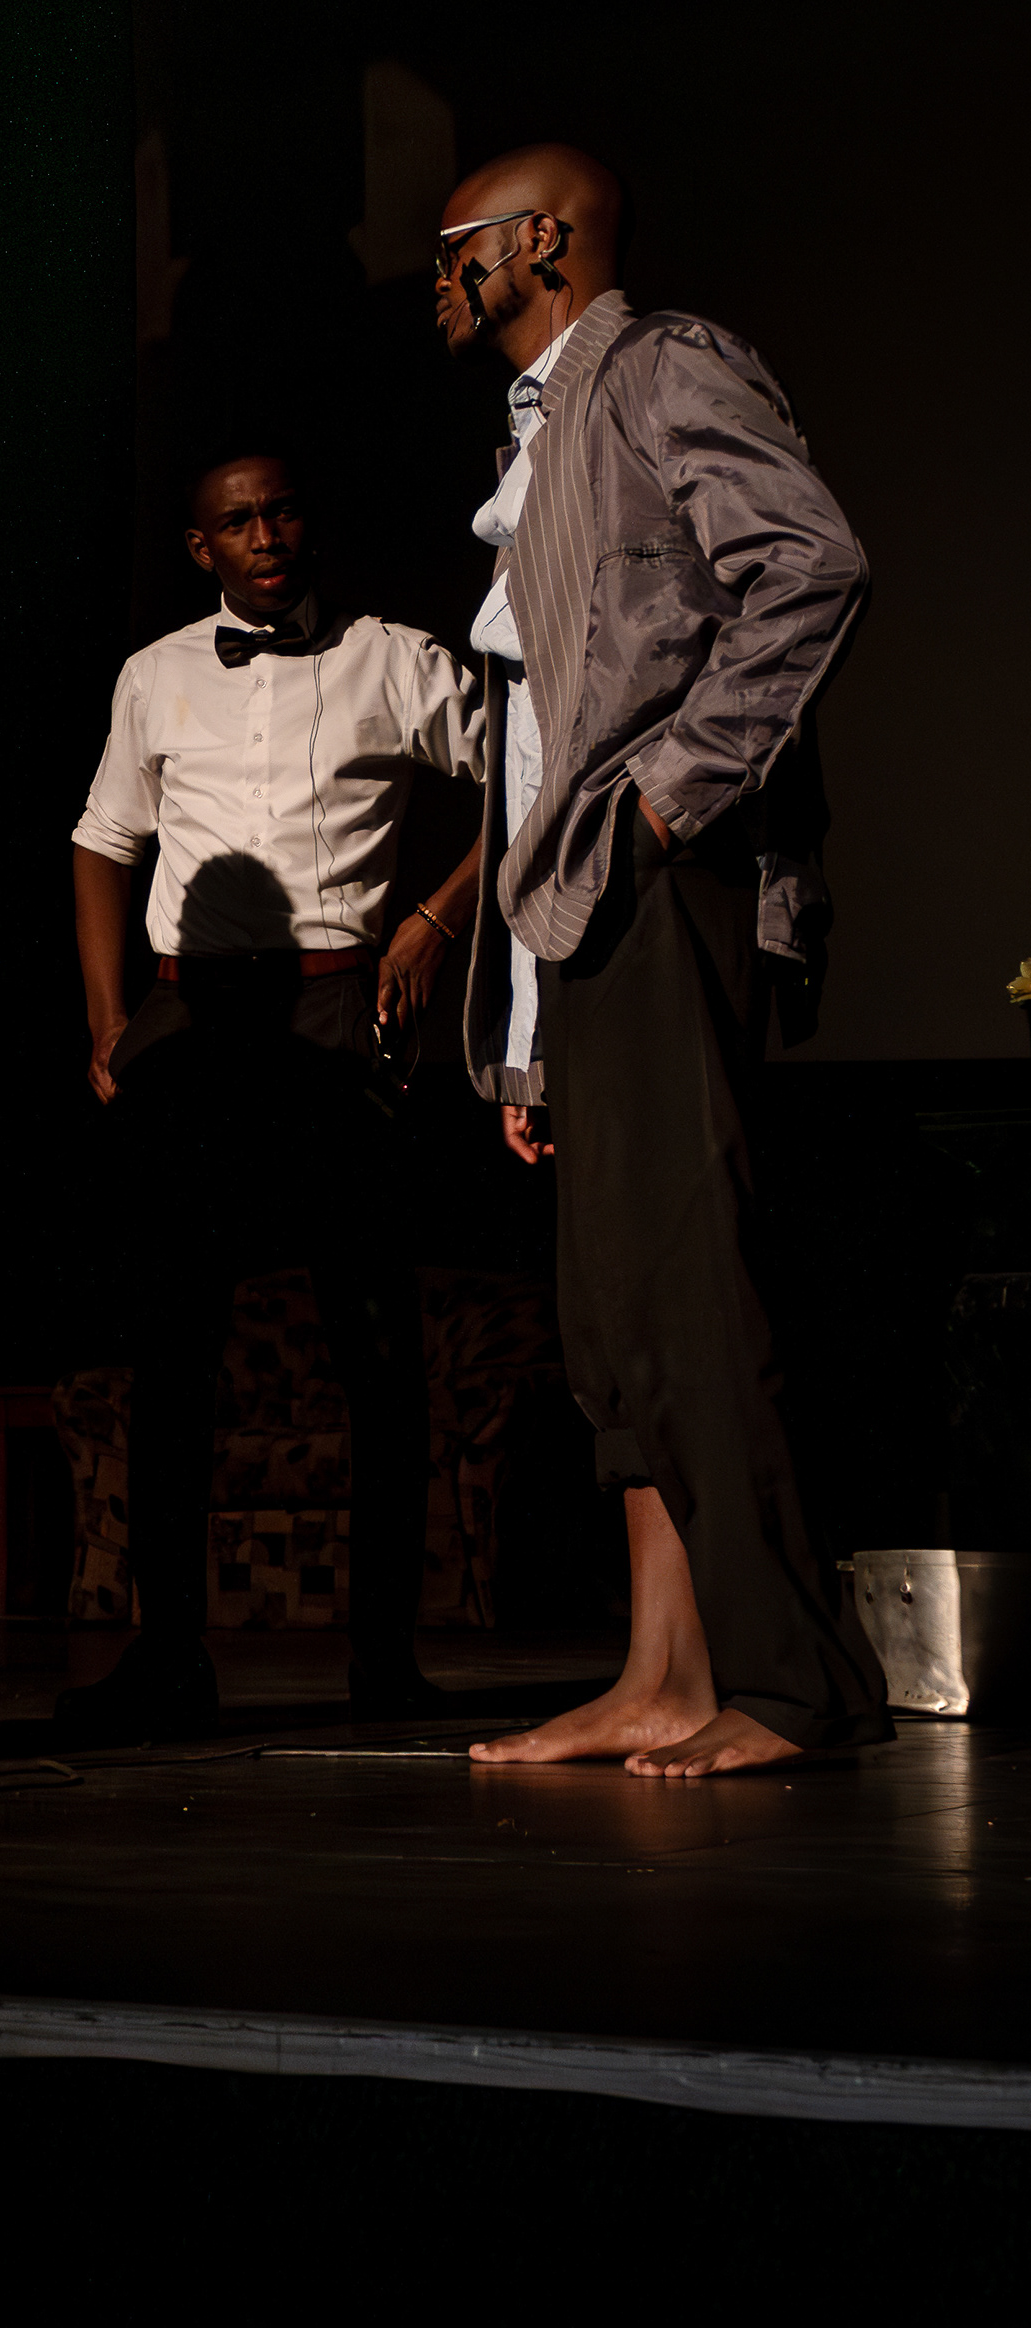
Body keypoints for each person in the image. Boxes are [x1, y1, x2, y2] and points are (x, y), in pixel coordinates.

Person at [437, 143, 888, 1776]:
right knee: (614, 1317)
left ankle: (790, 1679)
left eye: (461, 245)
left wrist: (668, 805)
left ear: (543, 241)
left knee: (691, 1289)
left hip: (660, 877)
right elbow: (534, 736)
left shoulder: (658, 367)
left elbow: (810, 566)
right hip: (576, 903)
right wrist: (524, 1020)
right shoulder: (537, 427)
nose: (440, 277)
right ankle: (663, 1667)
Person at [59, 446, 485, 1741]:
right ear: (203, 547)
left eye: (283, 511)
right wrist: (110, 1021)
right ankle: (169, 1658)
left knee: (375, 1343)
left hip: (335, 1006)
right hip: (190, 1020)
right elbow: (102, 841)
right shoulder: (156, 673)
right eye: (238, 522)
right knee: (172, 1342)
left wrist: (432, 920)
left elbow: (531, 783)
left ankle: (384, 1659)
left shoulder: (392, 659)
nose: (266, 535)